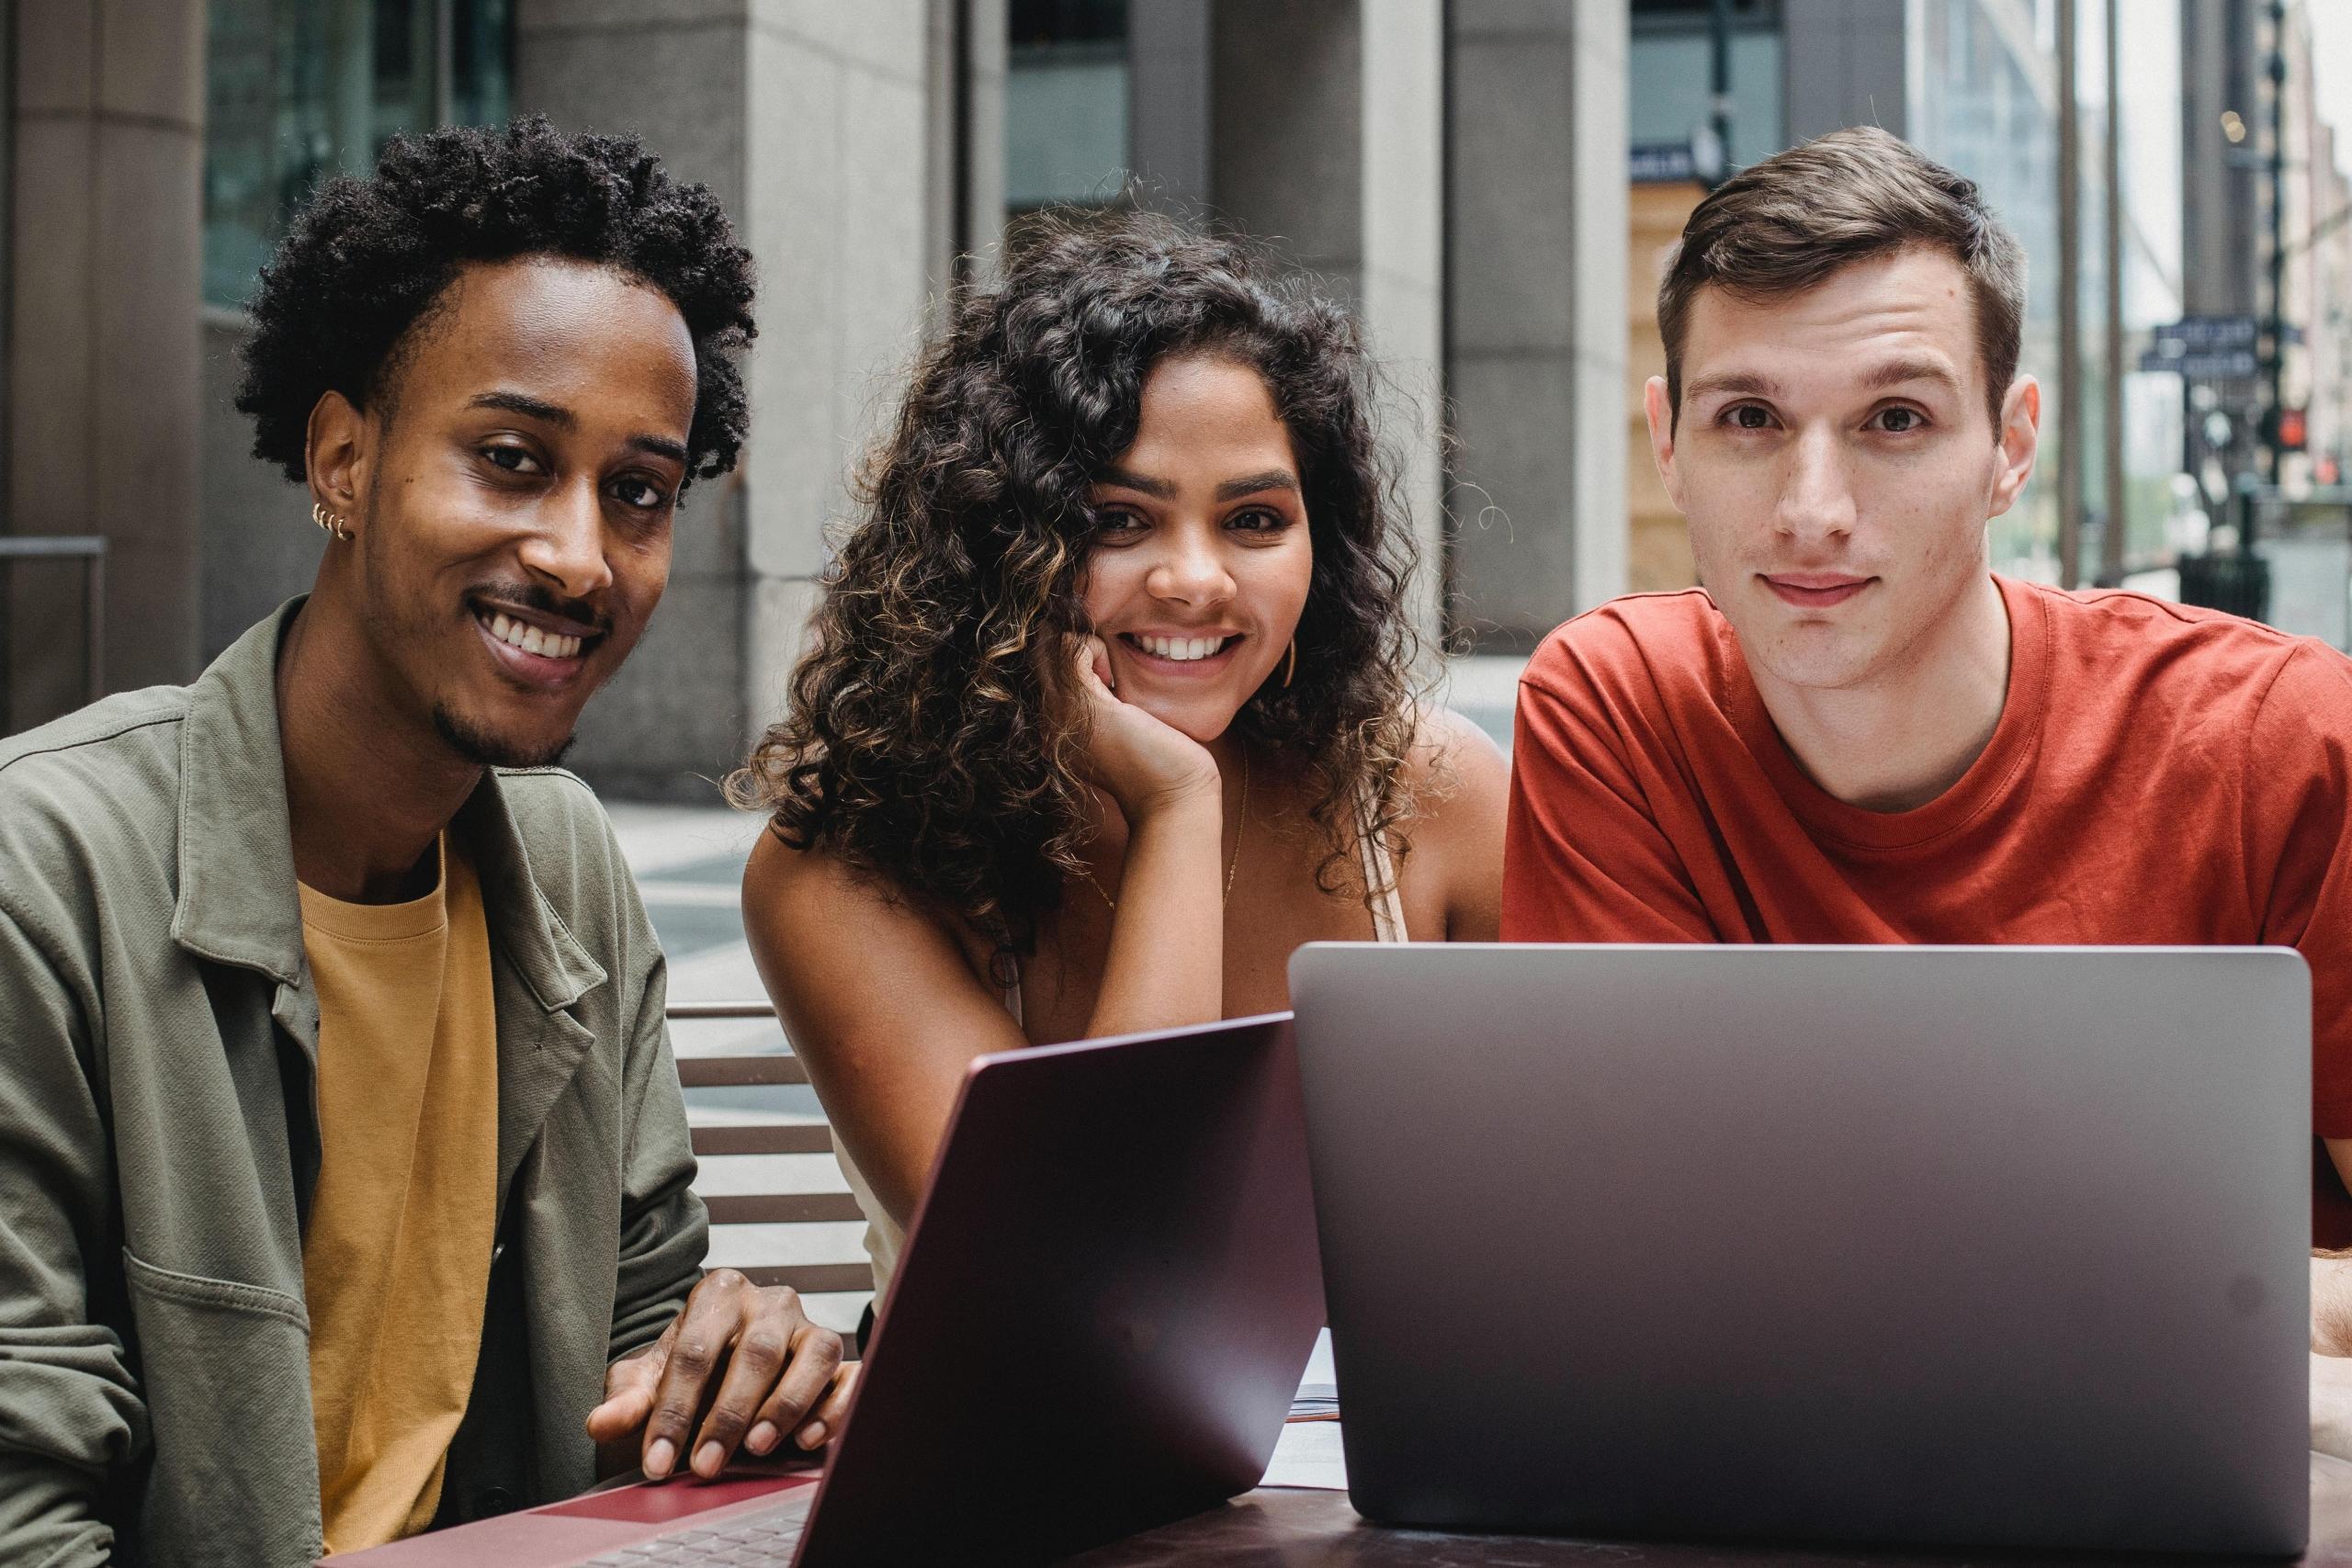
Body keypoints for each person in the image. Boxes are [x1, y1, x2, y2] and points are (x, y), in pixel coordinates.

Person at [0, 118, 851, 1568]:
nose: (582, 554)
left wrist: (732, 1365)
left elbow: (639, 1353)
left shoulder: (564, 860)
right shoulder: (47, 868)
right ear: (342, 456)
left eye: (638, 492)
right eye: (513, 459)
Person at [1498, 125, 2352, 1432]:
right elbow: (1632, 1263)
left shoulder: (2284, 738)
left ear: (2011, 445)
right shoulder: (1615, 707)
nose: (1812, 507)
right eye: (1751, 419)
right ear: (1668, 439)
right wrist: (2164, 1296)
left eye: (1895, 419)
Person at [730, 212, 1508, 1303]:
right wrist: (1175, 807)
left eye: (1253, 519)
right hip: (1024, 1460)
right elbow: (1097, 1287)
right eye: (1116, 521)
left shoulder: (1429, 795)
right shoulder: (848, 871)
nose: (1195, 581)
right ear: (997, 541)